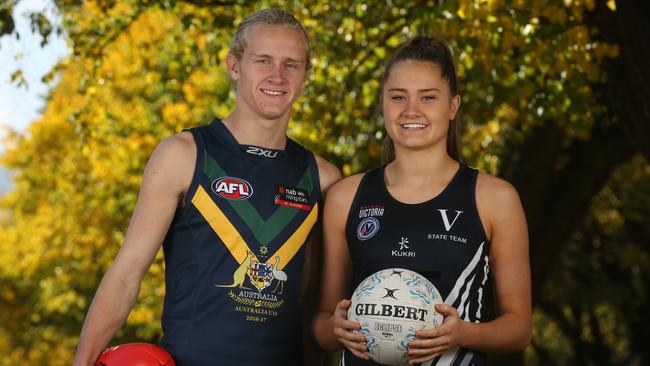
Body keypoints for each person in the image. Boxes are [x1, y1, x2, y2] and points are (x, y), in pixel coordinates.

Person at [73, 8, 340, 366]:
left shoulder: (322, 179)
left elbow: (314, 309)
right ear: (234, 65)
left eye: (291, 64)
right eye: (263, 60)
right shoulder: (182, 155)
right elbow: (125, 277)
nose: (277, 75)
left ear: (306, 75)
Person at [313, 36, 531, 365]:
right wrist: (335, 328)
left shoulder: (495, 198)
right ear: (383, 104)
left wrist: (463, 334)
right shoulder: (346, 196)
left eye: (428, 97)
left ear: (453, 105)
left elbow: (519, 329)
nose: (411, 110)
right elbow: (321, 325)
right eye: (398, 97)